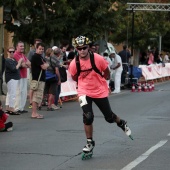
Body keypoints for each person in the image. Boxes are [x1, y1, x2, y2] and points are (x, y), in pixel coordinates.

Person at [69, 35, 132, 156]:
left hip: (99, 90)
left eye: (84, 48)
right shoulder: (74, 63)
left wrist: (103, 80)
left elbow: (106, 71)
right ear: (76, 49)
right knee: (88, 116)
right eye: (79, 48)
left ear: (89, 47)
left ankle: (121, 122)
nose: (82, 50)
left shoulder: (98, 59)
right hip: (83, 91)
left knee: (109, 118)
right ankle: (89, 142)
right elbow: (74, 77)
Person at [31, 43, 49, 119]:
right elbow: (44, 66)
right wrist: (46, 65)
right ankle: (34, 113)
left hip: (40, 79)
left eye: (42, 49)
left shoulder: (40, 57)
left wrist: (46, 65)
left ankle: (35, 112)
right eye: (40, 49)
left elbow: (45, 65)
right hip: (38, 79)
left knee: (38, 97)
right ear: (36, 48)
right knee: (36, 96)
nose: (41, 50)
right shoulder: (36, 57)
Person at [14, 41, 31, 113]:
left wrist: (24, 63)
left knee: (24, 92)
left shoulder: (22, 55)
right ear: (17, 47)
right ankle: (17, 108)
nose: (22, 48)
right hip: (18, 76)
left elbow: (29, 63)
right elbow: (23, 65)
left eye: (23, 46)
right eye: (20, 46)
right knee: (18, 92)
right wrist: (24, 63)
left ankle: (21, 107)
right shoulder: (15, 55)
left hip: (24, 75)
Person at [5, 47, 23, 115]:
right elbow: (14, 69)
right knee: (12, 94)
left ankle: (8, 107)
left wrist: (20, 63)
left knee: (9, 93)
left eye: (13, 51)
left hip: (14, 78)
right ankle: (12, 108)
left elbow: (18, 66)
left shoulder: (13, 59)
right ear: (7, 52)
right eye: (10, 52)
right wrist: (19, 62)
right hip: (11, 78)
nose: (12, 53)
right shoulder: (8, 60)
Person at [27, 39, 43, 109]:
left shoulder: (42, 51)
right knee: (33, 87)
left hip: (41, 73)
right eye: (37, 44)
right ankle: (31, 101)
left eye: (39, 43)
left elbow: (44, 62)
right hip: (33, 72)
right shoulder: (31, 52)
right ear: (34, 45)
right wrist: (33, 66)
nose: (38, 45)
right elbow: (28, 61)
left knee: (39, 89)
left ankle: (39, 103)